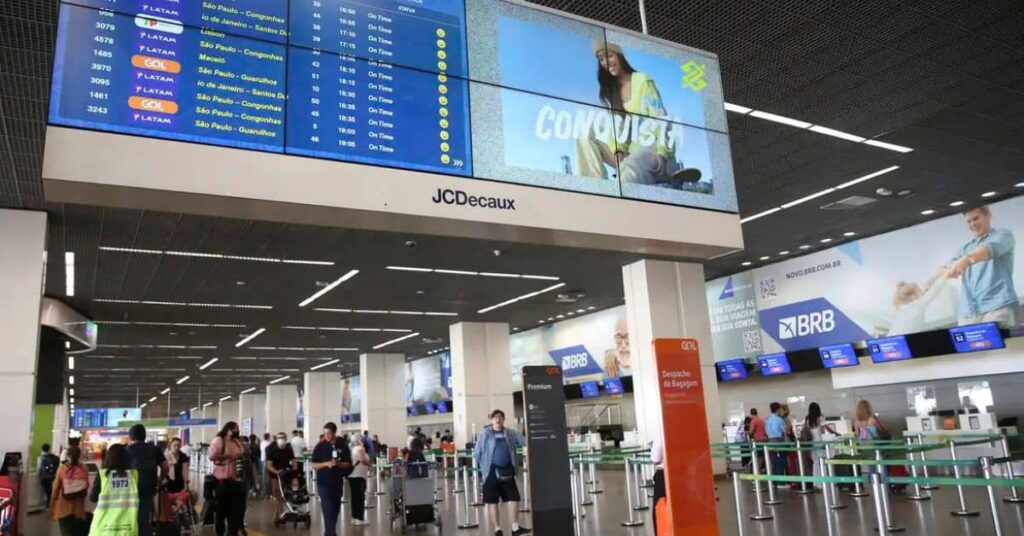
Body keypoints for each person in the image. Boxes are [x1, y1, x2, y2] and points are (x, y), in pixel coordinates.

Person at [576, 42, 701, 185]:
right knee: (583, 135)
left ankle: (667, 173)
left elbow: (660, 119)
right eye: (601, 59)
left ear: (620, 56)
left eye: (609, 56)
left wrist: (663, 153)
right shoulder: (612, 92)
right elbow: (618, 128)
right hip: (629, 155)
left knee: (628, 174)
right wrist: (618, 151)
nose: (605, 62)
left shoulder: (642, 80)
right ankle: (596, 186)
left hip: (653, 152)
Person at [936, 205, 1018, 328]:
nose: (973, 224)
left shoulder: (1003, 235)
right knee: (967, 346)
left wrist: (967, 260)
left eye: (976, 218)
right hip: (968, 313)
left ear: (988, 216)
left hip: (997, 307)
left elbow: (988, 250)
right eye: (969, 221)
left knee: (1000, 346)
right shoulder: (965, 249)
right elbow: (944, 267)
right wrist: (941, 273)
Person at [473, 409, 530, 536]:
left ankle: (515, 527)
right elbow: (477, 453)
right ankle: (497, 529)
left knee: (514, 498)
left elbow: (525, 442)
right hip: (491, 472)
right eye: (495, 417)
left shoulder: (510, 433)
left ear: (503, 419)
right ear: (491, 420)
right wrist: (485, 468)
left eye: (500, 417)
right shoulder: (485, 434)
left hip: (507, 470)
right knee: (493, 501)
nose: (498, 419)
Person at [126, 424, 168, 536]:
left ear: (130, 437)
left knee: (132, 517)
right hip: (149, 487)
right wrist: (160, 480)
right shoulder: (154, 449)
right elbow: (165, 467)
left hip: (131, 488)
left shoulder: (127, 450)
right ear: (145, 436)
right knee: (144, 517)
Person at [311, 422, 352, 536]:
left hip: (337, 482)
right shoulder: (320, 446)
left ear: (334, 432)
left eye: (329, 433)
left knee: (335, 509)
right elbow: (314, 465)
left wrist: (339, 464)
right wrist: (326, 464)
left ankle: (329, 531)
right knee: (327, 508)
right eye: (325, 433)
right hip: (324, 483)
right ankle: (331, 533)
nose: (327, 436)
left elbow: (348, 464)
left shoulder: (342, 445)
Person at [89, 443, 138, 535]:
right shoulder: (134, 476)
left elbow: (93, 498)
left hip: (103, 528)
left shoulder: (103, 476)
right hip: (128, 529)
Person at [209, 421, 246, 536]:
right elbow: (212, 456)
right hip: (222, 482)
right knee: (221, 510)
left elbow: (242, 453)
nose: (237, 431)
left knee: (236, 510)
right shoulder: (219, 441)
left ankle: (232, 532)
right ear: (229, 429)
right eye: (236, 429)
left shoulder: (237, 442)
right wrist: (229, 456)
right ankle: (220, 531)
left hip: (235, 481)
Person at [50, 445, 88, 536]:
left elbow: (55, 489)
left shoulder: (62, 469)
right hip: (79, 509)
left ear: (68, 456)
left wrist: (52, 505)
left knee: (66, 533)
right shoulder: (84, 468)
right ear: (80, 455)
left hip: (64, 508)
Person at [804, 403, 837, 488]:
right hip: (820, 442)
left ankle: (816, 483)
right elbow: (825, 428)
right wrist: (835, 433)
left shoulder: (807, 419)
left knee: (815, 462)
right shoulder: (820, 418)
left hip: (812, 442)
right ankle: (824, 481)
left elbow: (805, 430)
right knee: (823, 462)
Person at [266, 432, 296, 524]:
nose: (281, 439)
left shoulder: (289, 450)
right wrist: (276, 471)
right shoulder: (272, 450)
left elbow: (294, 461)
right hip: (276, 476)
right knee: (278, 495)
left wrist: (294, 469)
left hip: (286, 475)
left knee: (285, 495)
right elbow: (269, 465)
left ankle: (279, 513)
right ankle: (281, 514)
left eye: (283, 437)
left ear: (286, 438)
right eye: (279, 438)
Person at [348, 432, 371, 526]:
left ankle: (354, 517)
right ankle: (359, 518)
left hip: (353, 476)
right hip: (359, 476)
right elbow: (362, 460)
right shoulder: (360, 448)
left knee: (354, 498)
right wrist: (370, 465)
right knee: (360, 498)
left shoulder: (353, 449)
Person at [649, 430, 666, 534]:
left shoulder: (662, 433)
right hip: (685, 475)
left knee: (659, 510)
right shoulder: (688, 431)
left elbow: (656, 460)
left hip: (664, 476)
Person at [764, 403, 787, 478]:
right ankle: (781, 481)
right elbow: (785, 431)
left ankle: (775, 481)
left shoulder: (768, 420)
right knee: (781, 461)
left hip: (770, 441)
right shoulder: (780, 420)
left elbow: (766, 431)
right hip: (779, 440)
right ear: (778, 409)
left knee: (774, 461)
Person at [38, 443, 60, 509]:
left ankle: (48, 504)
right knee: (50, 490)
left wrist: (39, 476)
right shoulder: (55, 457)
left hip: (44, 477)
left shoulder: (41, 458)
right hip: (53, 476)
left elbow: (39, 468)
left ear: (42, 449)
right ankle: (51, 503)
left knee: (47, 491)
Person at [259, 433, 272, 497]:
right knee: (268, 476)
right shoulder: (269, 443)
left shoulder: (262, 443)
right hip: (267, 460)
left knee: (264, 476)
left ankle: (264, 491)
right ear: (268, 437)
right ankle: (268, 492)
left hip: (263, 460)